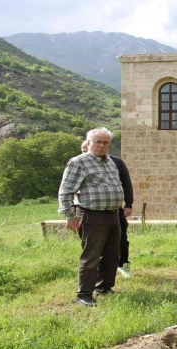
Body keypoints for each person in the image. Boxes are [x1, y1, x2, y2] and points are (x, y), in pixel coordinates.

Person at [59, 128, 124, 307]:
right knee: (91, 256)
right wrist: (70, 216)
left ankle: (104, 287)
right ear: (88, 143)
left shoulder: (110, 161)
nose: (102, 146)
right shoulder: (78, 162)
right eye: (98, 142)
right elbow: (65, 191)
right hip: (91, 215)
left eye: (106, 143)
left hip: (112, 215)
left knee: (112, 255)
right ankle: (84, 294)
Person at [81, 140, 134, 278]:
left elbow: (126, 183)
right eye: (83, 150)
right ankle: (95, 272)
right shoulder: (79, 164)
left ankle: (123, 264)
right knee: (92, 244)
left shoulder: (115, 162)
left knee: (121, 238)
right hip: (91, 212)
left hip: (115, 210)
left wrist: (128, 204)